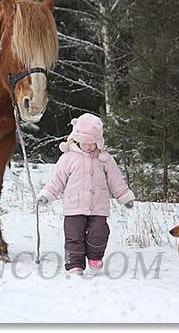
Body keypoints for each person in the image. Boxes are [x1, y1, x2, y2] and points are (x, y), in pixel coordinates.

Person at [38, 113, 135, 275]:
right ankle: (74, 264)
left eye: (93, 143)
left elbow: (116, 180)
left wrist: (124, 196)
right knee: (74, 236)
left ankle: (95, 256)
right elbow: (57, 180)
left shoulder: (105, 159)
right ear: (76, 139)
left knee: (100, 232)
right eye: (85, 143)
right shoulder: (68, 158)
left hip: (98, 206)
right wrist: (47, 195)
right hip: (74, 206)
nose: (89, 146)